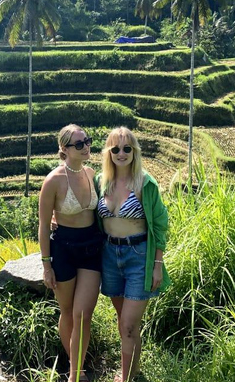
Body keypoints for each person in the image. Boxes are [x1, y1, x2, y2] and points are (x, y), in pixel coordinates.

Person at [95, 127, 171, 382]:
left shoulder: (145, 183)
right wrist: (55, 217)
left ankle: (125, 377)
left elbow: (160, 224)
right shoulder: (100, 181)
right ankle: (134, 370)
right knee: (124, 323)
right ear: (109, 152)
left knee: (127, 325)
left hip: (139, 256)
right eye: (115, 148)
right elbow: (84, 208)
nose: (121, 153)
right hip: (109, 255)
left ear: (135, 151)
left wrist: (157, 264)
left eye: (127, 148)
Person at [38, 124, 103, 382]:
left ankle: (76, 372)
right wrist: (46, 265)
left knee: (83, 313)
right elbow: (43, 224)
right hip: (63, 249)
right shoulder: (53, 181)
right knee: (67, 312)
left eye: (87, 141)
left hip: (90, 248)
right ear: (64, 149)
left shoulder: (91, 172)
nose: (86, 146)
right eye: (79, 144)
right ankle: (78, 370)